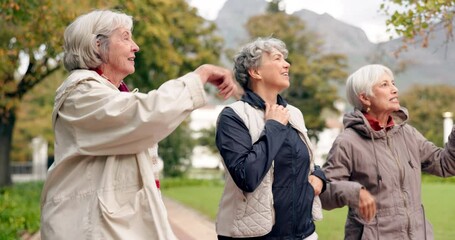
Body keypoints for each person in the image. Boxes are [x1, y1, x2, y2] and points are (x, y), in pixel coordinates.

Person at [40, 9, 237, 239]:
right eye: (125, 37)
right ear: (97, 45)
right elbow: (146, 114)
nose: (136, 47)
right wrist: (199, 76)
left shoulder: (108, 93)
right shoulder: (80, 94)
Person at [320, 64, 455, 239]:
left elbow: (445, 164)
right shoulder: (347, 141)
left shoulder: (408, 134)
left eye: (393, 83)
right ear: (365, 98)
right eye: (384, 85)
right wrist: (355, 192)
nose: (395, 89)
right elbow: (325, 190)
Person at [215, 37, 326, 240]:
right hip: (255, 235)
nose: (287, 64)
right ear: (255, 71)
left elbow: (304, 161)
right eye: (277, 58)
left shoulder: (294, 113)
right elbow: (247, 177)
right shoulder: (233, 116)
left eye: (285, 59)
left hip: (303, 233)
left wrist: (319, 176)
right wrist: (273, 126)